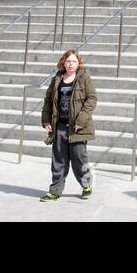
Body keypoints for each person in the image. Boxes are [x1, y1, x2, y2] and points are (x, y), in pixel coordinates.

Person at [40, 50, 97, 201]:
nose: (71, 64)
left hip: (78, 128)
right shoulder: (57, 78)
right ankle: (55, 191)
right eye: (68, 61)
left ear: (79, 64)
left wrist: (80, 121)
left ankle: (86, 185)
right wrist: (46, 120)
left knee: (79, 159)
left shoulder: (84, 78)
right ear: (63, 63)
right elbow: (48, 100)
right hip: (59, 126)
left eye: (74, 61)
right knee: (58, 161)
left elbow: (92, 99)